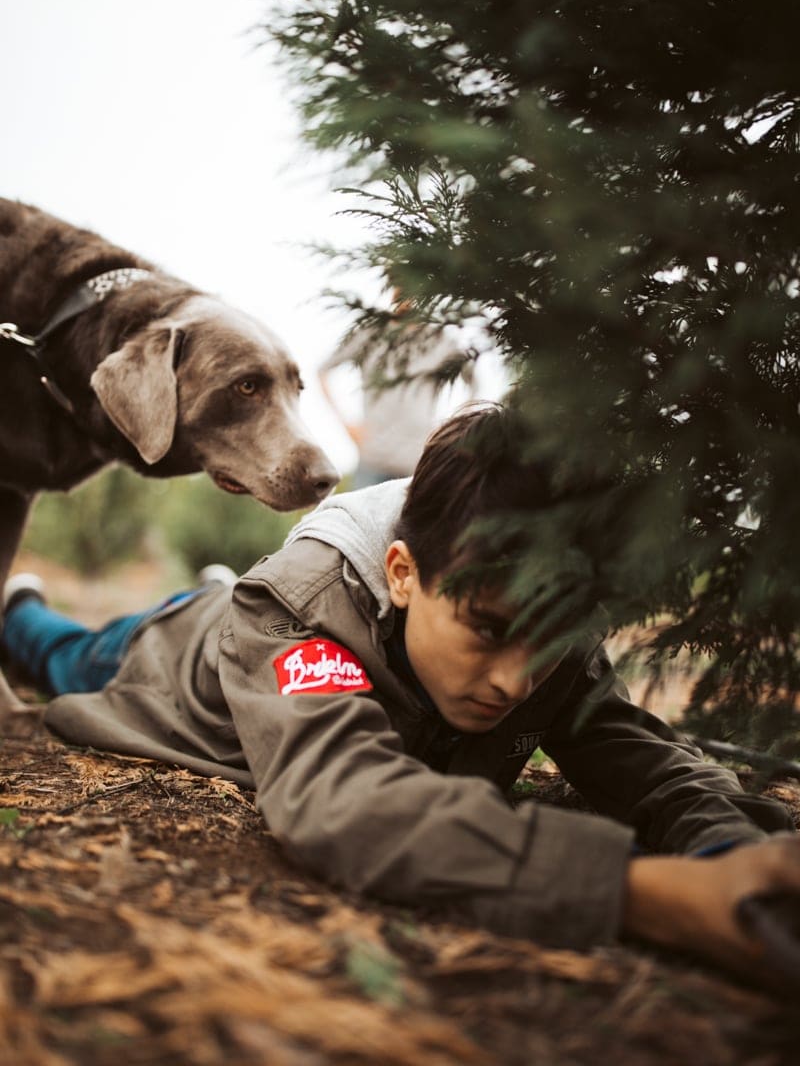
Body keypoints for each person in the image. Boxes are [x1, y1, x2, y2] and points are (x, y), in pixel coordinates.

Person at [1, 404, 798, 985]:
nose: (520, 683)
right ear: (404, 574)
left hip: (244, 629)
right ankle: (19, 608)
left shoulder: (538, 625)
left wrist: (730, 854)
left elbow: (649, 763)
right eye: (487, 631)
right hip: (171, 654)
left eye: (553, 641)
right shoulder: (297, 618)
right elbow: (345, 798)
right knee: (59, 651)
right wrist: (636, 893)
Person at [318, 294, 476, 487]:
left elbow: (474, 382)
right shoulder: (370, 333)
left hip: (418, 464)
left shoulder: (440, 340)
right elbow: (322, 372)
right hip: (372, 461)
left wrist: (451, 432)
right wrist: (347, 425)